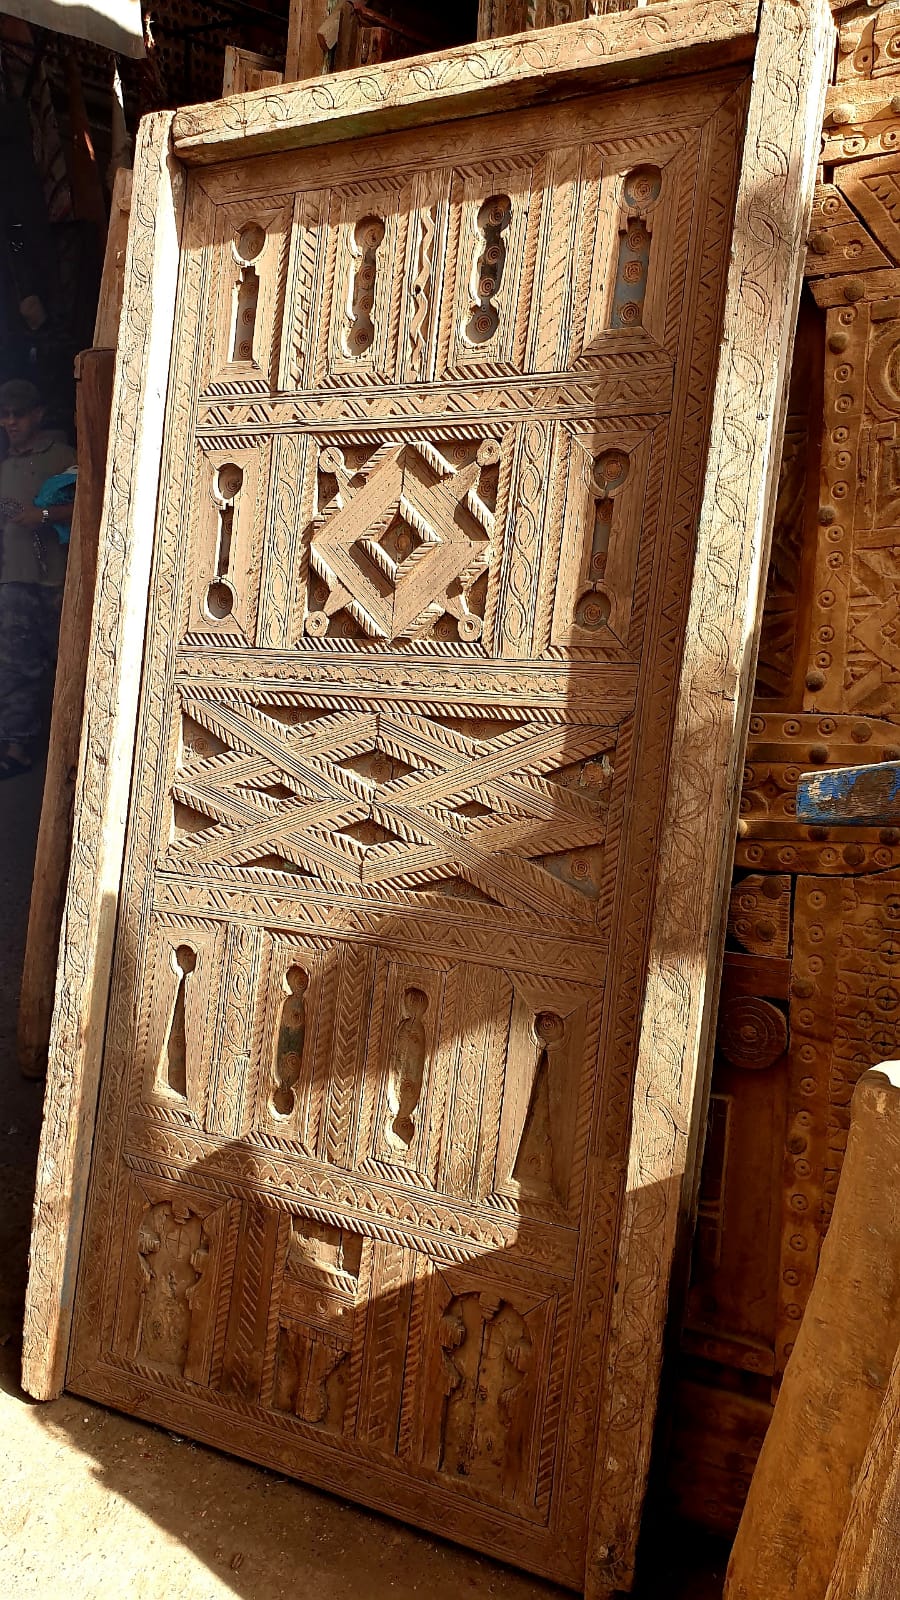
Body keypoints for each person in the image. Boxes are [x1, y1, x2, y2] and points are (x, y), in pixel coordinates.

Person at [0, 378, 75, 779]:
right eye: (5, 415)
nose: (11, 423)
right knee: (15, 664)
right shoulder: (5, 467)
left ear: (38, 415)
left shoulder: (63, 457)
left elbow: (91, 499)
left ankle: (72, 749)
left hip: (60, 579)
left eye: (18, 415)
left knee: (65, 663)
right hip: (15, 580)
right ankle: (17, 745)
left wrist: (44, 516)